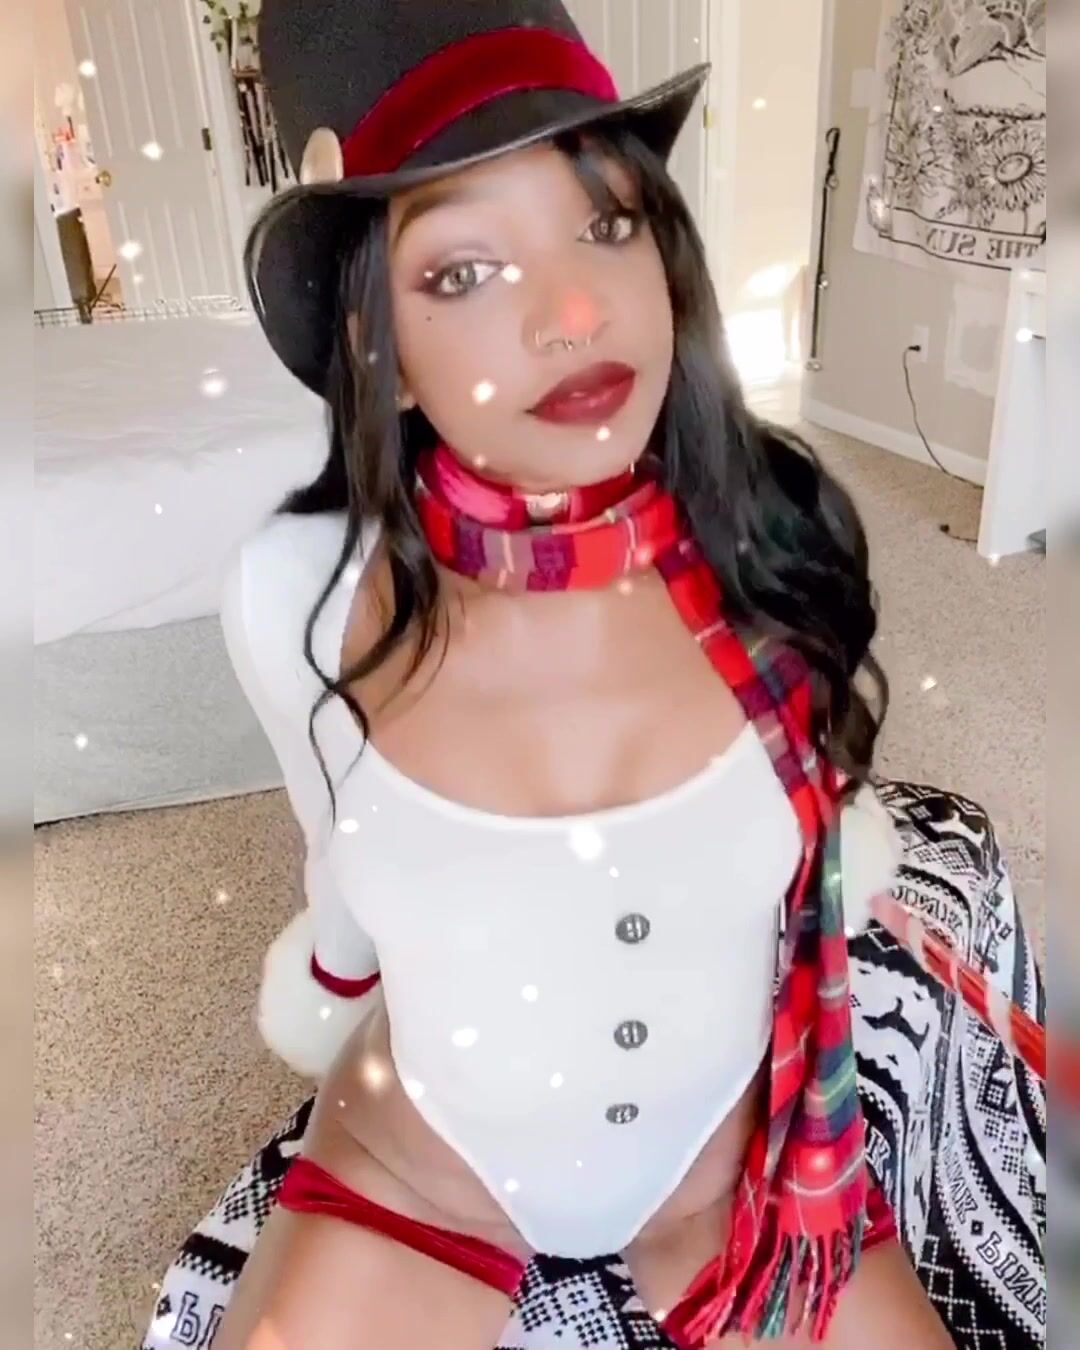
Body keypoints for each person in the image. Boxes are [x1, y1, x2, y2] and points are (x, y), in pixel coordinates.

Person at [168, 3, 1042, 1348]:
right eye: (466, 270)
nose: (575, 312)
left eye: (607, 223)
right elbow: (334, 846)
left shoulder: (771, 537)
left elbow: (826, 781)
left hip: (727, 1165)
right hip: (422, 1158)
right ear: (373, 349)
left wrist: (839, 830)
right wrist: (332, 981)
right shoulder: (298, 593)